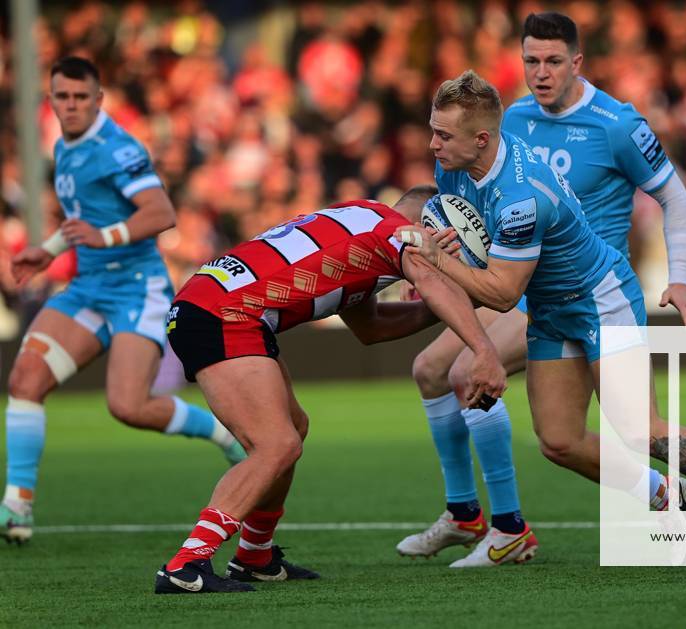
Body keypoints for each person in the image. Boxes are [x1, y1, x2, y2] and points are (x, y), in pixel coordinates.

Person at [397, 12, 686, 566]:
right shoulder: (505, 122)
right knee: (557, 439)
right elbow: (478, 221)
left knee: (639, 430)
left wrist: (678, 277)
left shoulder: (615, 125)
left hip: (596, 290)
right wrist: (443, 251)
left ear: (577, 62)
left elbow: (676, 200)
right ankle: (660, 495)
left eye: (553, 61)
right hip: (538, 292)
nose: (540, 73)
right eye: (531, 61)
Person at [155, 186, 507, 594]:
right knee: (276, 445)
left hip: (222, 305)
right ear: (431, 223)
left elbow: (372, 328)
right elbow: (430, 277)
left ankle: (255, 556)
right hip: (225, 314)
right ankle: (187, 563)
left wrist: (446, 301)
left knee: (292, 429)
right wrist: (483, 349)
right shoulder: (400, 233)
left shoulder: (363, 224)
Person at [2, 57, 244, 545]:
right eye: (62, 97)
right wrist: (47, 253)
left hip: (137, 289)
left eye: (79, 97)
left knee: (128, 406)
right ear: (52, 99)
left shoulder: (118, 149)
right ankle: (17, 506)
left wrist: (104, 234)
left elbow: (161, 212)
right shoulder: (65, 148)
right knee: (25, 379)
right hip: (89, 288)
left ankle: (223, 433)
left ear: (98, 100)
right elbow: (82, 222)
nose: (70, 106)